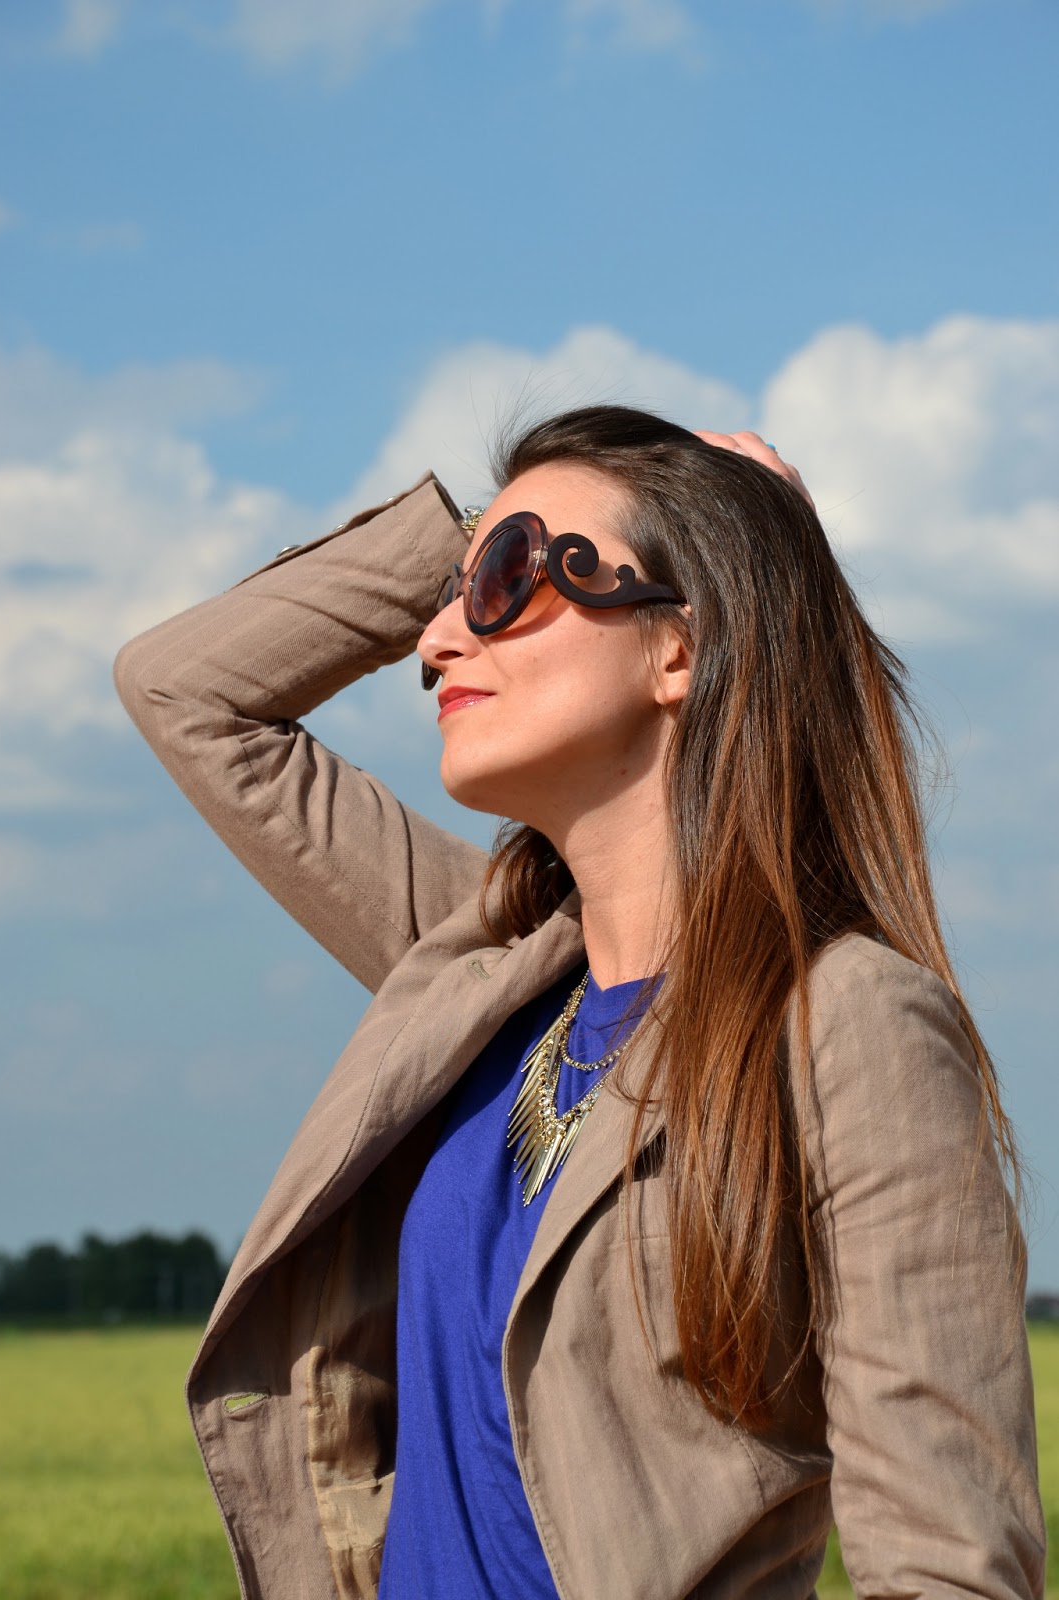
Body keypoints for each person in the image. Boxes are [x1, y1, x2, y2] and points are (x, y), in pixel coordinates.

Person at [114, 407, 1045, 1600]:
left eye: (509, 579)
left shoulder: (848, 1027)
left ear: (681, 649)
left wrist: (741, 546)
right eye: (455, 593)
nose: (436, 641)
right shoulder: (480, 977)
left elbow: (947, 1565)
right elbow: (183, 690)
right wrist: (479, 538)